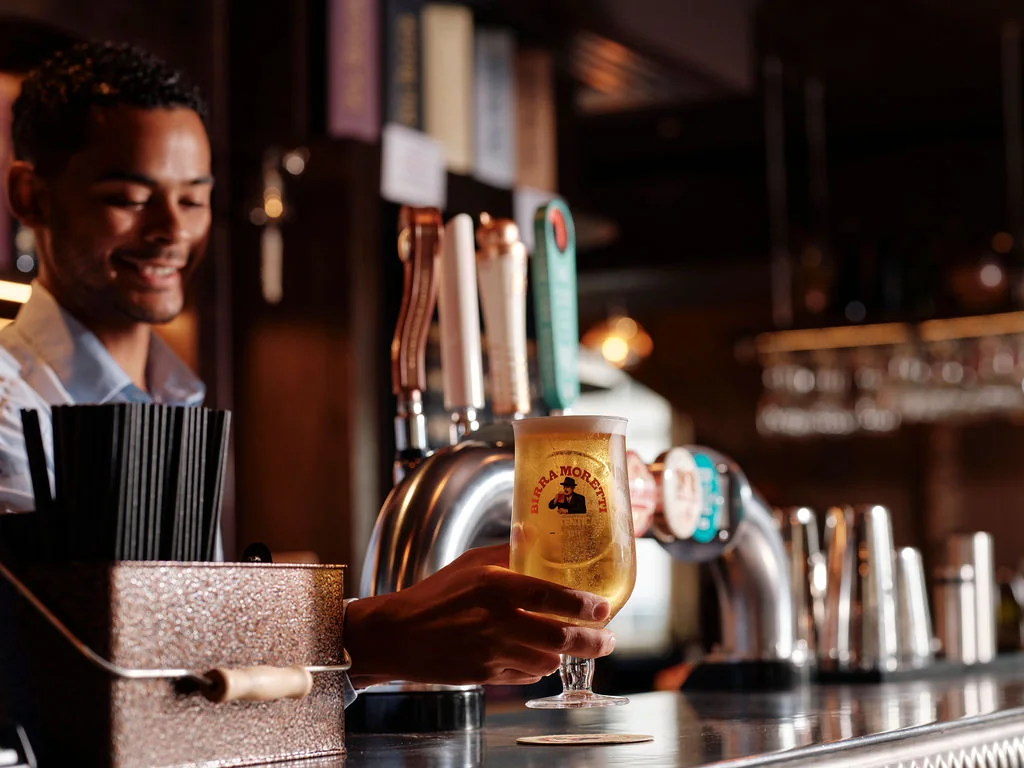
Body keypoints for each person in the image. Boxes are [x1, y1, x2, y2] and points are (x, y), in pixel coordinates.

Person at [0, 41, 615, 698]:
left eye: (193, 199)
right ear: (30, 195)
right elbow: (65, 665)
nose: (169, 230)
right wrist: (369, 638)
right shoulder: (11, 408)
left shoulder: (176, 397)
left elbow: (184, 674)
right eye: (129, 196)